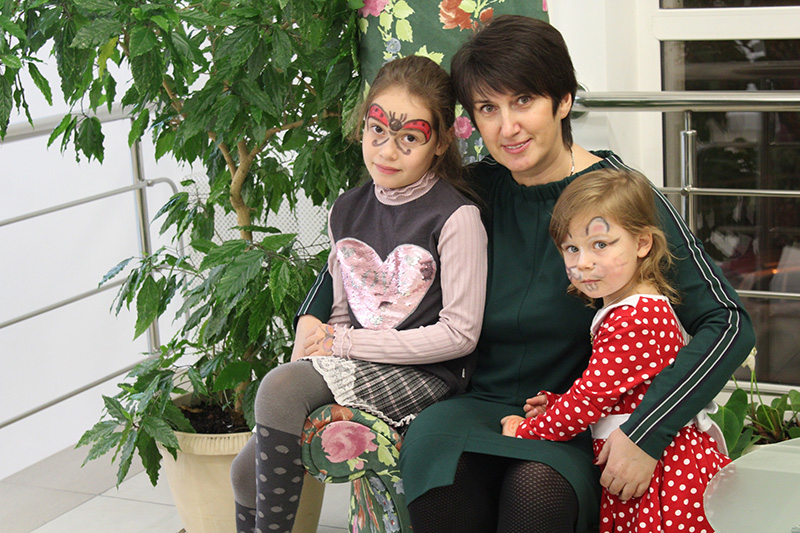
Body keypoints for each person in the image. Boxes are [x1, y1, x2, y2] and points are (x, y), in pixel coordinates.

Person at [295, 15, 754, 533]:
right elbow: (358, 248)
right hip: (468, 406)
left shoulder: (619, 197)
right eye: (487, 108)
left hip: (572, 419)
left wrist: (647, 431)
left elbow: (728, 324)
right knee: (443, 483)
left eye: (524, 101)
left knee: (535, 493)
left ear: (563, 101)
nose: (507, 127)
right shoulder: (465, 195)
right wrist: (313, 318)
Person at [229, 55, 488, 533]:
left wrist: (343, 346)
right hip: (357, 364)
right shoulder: (346, 208)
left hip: (427, 375)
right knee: (243, 473)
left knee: (280, 387)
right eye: (377, 130)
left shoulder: (456, 217)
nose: (387, 151)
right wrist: (328, 349)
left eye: (410, 138)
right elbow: (342, 313)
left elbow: (460, 335)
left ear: (440, 142)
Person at [500, 168, 731, 533]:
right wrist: (558, 404)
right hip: (658, 467)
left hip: (665, 476)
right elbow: (619, 394)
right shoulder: (631, 307)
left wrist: (526, 430)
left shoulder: (635, 318)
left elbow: (591, 399)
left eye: (601, 245)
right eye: (572, 248)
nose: (583, 262)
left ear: (642, 243)